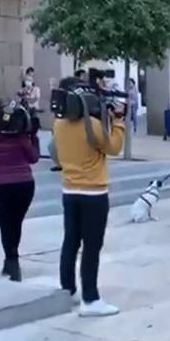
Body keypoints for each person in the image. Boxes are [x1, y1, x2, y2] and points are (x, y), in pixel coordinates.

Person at [54, 77, 125, 317]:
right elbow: (114, 147)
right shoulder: (92, 126)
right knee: (92, 247)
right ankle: (90, 299)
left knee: (71, 241)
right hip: (93, 193)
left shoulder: (58, 124)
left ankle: (68, 289)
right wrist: (118, 121)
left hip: (69, 191)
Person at [0, 99, 40, 282]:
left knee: (5, 224)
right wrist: (33, 137)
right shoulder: (22, 138)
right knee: (16, 223)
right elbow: (33, 157)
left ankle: (12, 260)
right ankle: (11, 259)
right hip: (24, 184)